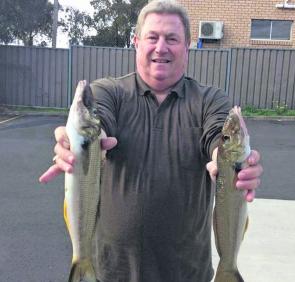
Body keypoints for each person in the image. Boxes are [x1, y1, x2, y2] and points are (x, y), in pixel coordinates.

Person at [39, 0, 263, 281]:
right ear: (136, 42)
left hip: (187, 273)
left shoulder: (210, 100)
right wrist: (78, 146)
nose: (161, 47)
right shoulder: (108, 92)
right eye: (152, 37)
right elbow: (97, 127)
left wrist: (232, 164)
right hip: (110, 272)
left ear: (188, 45)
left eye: (172, 39)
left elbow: (220, 138)